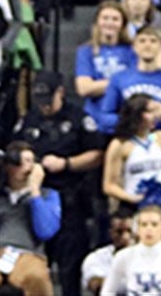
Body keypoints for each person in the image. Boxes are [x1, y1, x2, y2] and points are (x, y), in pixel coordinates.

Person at [13, 70, 103, 296]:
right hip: (35, 198)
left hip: (69, 197)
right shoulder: (29, 120)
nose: (44, 106)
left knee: (70, 267)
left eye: (48, 99)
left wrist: (67, 163)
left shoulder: (78, 118)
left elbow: (97, 154)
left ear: (61, 92)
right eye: (39, 100)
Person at [0, 141, 59, 296]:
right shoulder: (0, 196)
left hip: (29, 253)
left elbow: (45, 231)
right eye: (18, 162)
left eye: (29, 161)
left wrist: (35, 191)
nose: (24, 167)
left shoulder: (47, 195)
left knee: (36, 278)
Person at [101, 94, 161, 211]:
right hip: (132, 205)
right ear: (136, 114)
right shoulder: (119, 144)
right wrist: (133, 198)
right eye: (150, 112)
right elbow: (108, 185)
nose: (155, 116)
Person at [80, 208, 134, 295]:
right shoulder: (97, 257)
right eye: (119, 232)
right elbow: (95, 284)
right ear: (111, 232)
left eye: (129, 231)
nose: (125, 237)